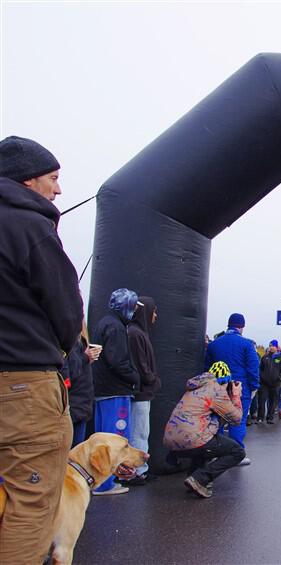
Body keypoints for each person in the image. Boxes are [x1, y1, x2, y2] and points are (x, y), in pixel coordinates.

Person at [0, 136, 85, 563]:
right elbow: (67, 312)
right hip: (24, 387)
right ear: (28, 180)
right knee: (30, 502)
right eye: (53, 178)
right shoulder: (30, 226)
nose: (58, 189)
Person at [164, 361, 246, 499]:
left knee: (206, 441)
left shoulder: (195, 387)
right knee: (237, 452)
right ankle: (200, 479)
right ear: (225, 380)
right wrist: (236, 395)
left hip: (172, 442)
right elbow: (236, 419)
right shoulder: (216, 390)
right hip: (191, 439)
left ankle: (192, 477)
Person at [91, 288, 143, 495]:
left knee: (102, 437)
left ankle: (99, 480)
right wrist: (134, 377)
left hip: (102, 389)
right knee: (116, 438)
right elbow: (117, 361)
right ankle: (106, 483)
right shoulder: (116, 327)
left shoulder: (104, 323)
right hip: (115, 390)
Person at [205, 313, 260, 463]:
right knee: (238, 420)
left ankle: (217, 452)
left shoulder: (214, 344)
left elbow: (207, 368)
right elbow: (253, 368)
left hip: (217, 388)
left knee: (217, 420)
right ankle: (236, 454)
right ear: (242, 326)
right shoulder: (247, 344)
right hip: (240, 388)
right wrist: (254, 386)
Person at [125, 296, 161, 485]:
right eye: (154, 311)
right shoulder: (135, 334)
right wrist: (152, 380)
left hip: (141, 391)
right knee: (138, 432)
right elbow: (140, 364)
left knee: (140, 432)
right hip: (139, 392)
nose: (155, 316)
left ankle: (139, 469)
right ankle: (136, 470)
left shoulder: (136, 333)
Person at [63, 319, 99, 447]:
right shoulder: (70, 343)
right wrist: (85, 358)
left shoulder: (80, 343)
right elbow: (70, 373)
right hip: (74, 407)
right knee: (72, 453)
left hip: (81, 406)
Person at [259, 340, 281, 424]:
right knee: (262, 400)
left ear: (276, 347)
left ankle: (270, 417)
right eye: (270, 346)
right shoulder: (265, 357)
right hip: (264, 384)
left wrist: (279, 378)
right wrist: (262, 377)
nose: (271, 347)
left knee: (273, 401)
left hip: (275, 384)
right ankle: (260, 418)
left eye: (273, 346)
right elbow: (261, 368)